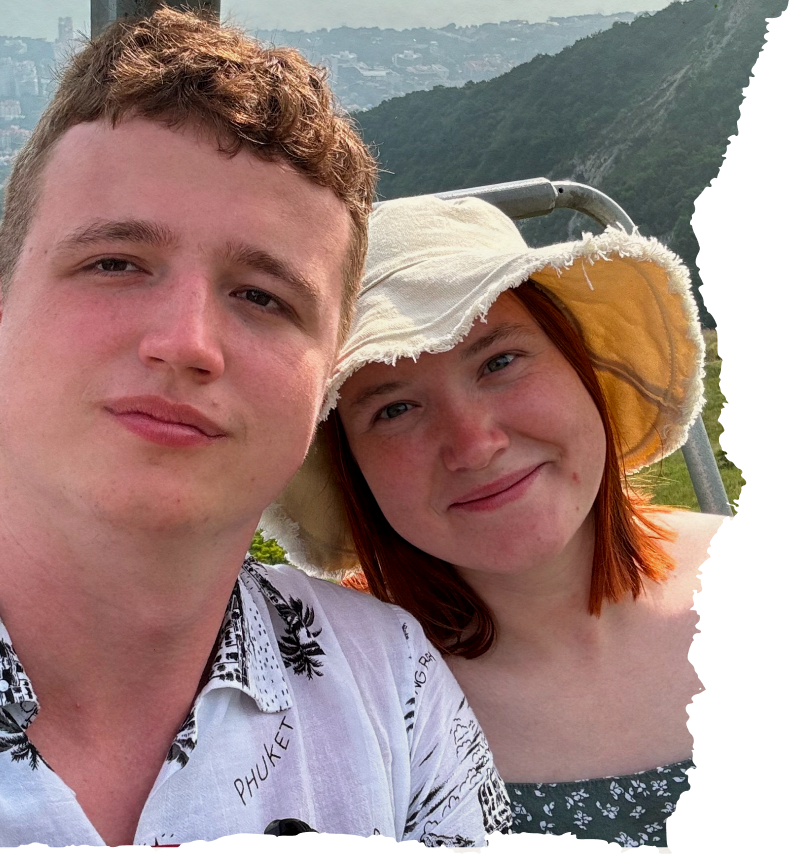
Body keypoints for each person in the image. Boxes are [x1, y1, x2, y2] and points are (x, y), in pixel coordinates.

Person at [0, 15, 510, 848]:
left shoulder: (392, 688)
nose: (186, 342)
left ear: (323, 380)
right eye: (115, 262)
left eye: (263, 297)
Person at [262, 193, 727, 848]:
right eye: (394, 409)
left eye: (499, 362)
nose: (475, 444)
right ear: (352, 471)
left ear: (580, 365)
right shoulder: (340, 702)